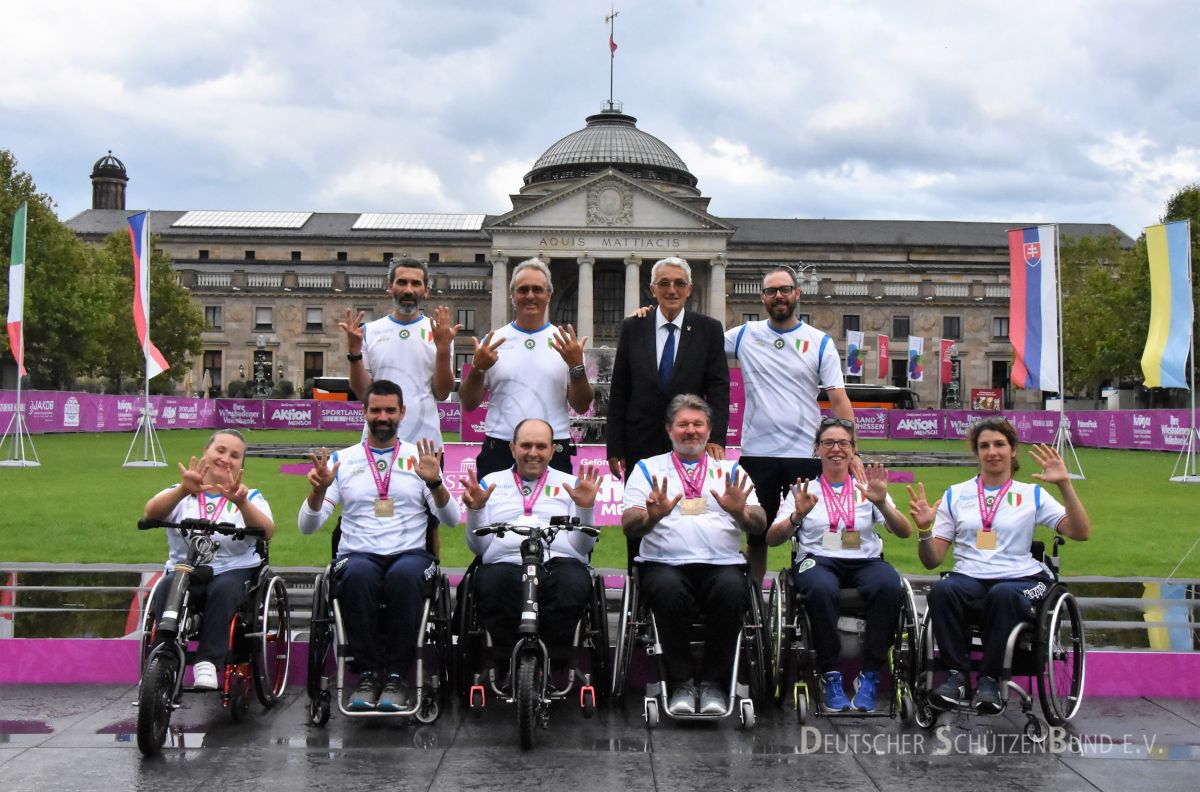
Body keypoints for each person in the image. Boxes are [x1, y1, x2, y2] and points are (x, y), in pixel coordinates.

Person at [908, 417, 1091, 714]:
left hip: (1021, 579)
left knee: (1003, 595)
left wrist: (1065, 484)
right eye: (984, 446)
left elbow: (1081, 532)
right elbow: (932, 560)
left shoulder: (1031, 494)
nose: (992, 452)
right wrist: (926, 530)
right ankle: (956, 676)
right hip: (970, 577)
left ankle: (990, 679)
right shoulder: (956, 494)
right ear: (976, 452)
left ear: (1013, 449)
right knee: (942, 591)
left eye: (999, 444)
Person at [298, 379, 462, 712]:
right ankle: (369, 674)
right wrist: (317, 492)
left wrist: (434, 482)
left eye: (390, 410)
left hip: (410, 555)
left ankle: (398, 677)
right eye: (376, 410)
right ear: (365, 413)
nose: (383, 416)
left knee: (404, 576)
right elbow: (307, 525)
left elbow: (451, 519)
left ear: (402, 413)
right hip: (358, 554)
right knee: (357, 575)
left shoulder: (421, 458)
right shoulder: (343, 461)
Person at [621, 394, 766, 716]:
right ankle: (681, 683)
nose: (691, 431)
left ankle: (714, 684)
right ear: (669, 429)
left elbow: (759, 525)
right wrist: (652, 517)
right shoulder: (647, 469)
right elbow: (629, 526)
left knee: (731, 591)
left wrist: (740, 512)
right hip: (664, 564)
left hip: (722, 564)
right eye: (683, 424)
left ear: (709, 430)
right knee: (668, 592)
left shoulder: (730, 470)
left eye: (697, 424)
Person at [764, 417, 911, 712]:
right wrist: (796, 516)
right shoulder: (801, 491)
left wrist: (882, 503)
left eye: (843, 443)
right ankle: (829, 675)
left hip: (865, 561)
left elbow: (904, 531)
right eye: (828, 443)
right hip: (817, 560)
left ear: (853, 450)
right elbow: (772, 539)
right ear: (817, 450)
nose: (836, 449)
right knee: (819, 588)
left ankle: (869, 676)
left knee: (888, 585)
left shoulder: (869, 489)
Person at [726, 266, 854, 583]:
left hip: (805, 455)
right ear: (762, 298)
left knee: (809, 532)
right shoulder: (743, 334)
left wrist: (853, 452)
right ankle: (753, 607)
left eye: (785, 289)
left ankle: (805, 594)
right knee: (756, 535)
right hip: (758, 453)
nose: (779, 296)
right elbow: (696, 342)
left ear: (797, 293)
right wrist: (654, 314)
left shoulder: (819, 342)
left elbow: (839, 400)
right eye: (771, 291)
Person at [143, 429, 274, 690]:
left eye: (235, 456)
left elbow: (267, 531)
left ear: (241, 464)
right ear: (206, 452)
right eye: (220, 451)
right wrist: (182, 489)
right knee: (168, 585)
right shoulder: (181, 492)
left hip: (232, 569)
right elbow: (150, 513)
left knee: (223, 590)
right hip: (187, 569)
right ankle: (163, 654)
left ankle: (208, 662)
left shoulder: (249, 495)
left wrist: (242, 504)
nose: (226, 459)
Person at [459, 418, 603, 650]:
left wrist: (586, 508)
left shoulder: (572, 484)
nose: (533, 453)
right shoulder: (490, 483)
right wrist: (475, 510)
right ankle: (506, 663)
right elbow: (479, 548)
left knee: (572, 583)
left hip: (559, 562)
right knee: (493, 584)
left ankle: (554, 662)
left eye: (541, 446)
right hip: (506, 562)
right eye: (525, 446)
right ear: (512, 448)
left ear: (553, 450)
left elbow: (582, 548)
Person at [459, 257, 594, 478]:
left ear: (548, 295)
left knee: (554, 514)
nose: (530, 296)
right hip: (501, 444)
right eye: (523, 290)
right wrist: (477, 369)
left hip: (552, 447)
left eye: (537, 290)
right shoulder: (493, 340)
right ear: (512, 295)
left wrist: (576, 366)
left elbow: (581, 406)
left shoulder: (566, 343)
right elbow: (469, 403)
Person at [340, 256, 460, 449]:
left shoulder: (440, 333)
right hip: (377, 442)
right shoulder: (369, 332)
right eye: (402, 282)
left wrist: (444, 349)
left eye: (416, 283)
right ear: (390, 286)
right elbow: (364, 393)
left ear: (426, 291)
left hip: (426, 445)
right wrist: (354, 354)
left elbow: (442, 391)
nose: (408, 290)